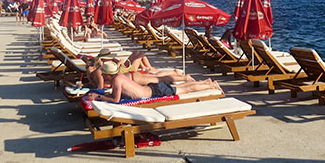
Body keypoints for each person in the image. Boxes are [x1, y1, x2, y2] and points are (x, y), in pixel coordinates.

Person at [85, 62, 222, 103]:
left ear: (109, 75)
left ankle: (210, 85)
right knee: (183, 87)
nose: (101, 75)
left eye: (103, 74)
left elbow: (116, 100)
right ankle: (206, 82)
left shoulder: (117, 80)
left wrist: (98, 97)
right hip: (152, 89)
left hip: (155, 91)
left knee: (186, 89)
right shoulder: (118, 78)